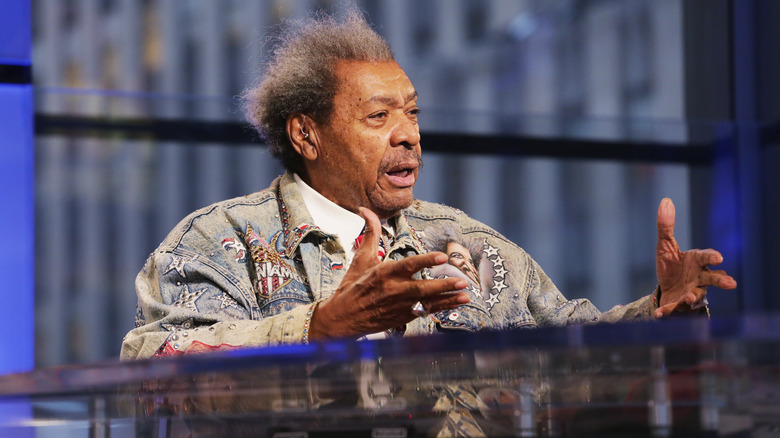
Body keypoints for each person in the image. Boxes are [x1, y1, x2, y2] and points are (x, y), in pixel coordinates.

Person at [120, 10, 736, 360]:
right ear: (306, 135)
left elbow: (565, 348)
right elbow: (150, 366)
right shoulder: (219, 241)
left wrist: (660, 314)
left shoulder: (466, 242)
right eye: (378, 116)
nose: (409, 135)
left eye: (412, 112)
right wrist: (321, 327)